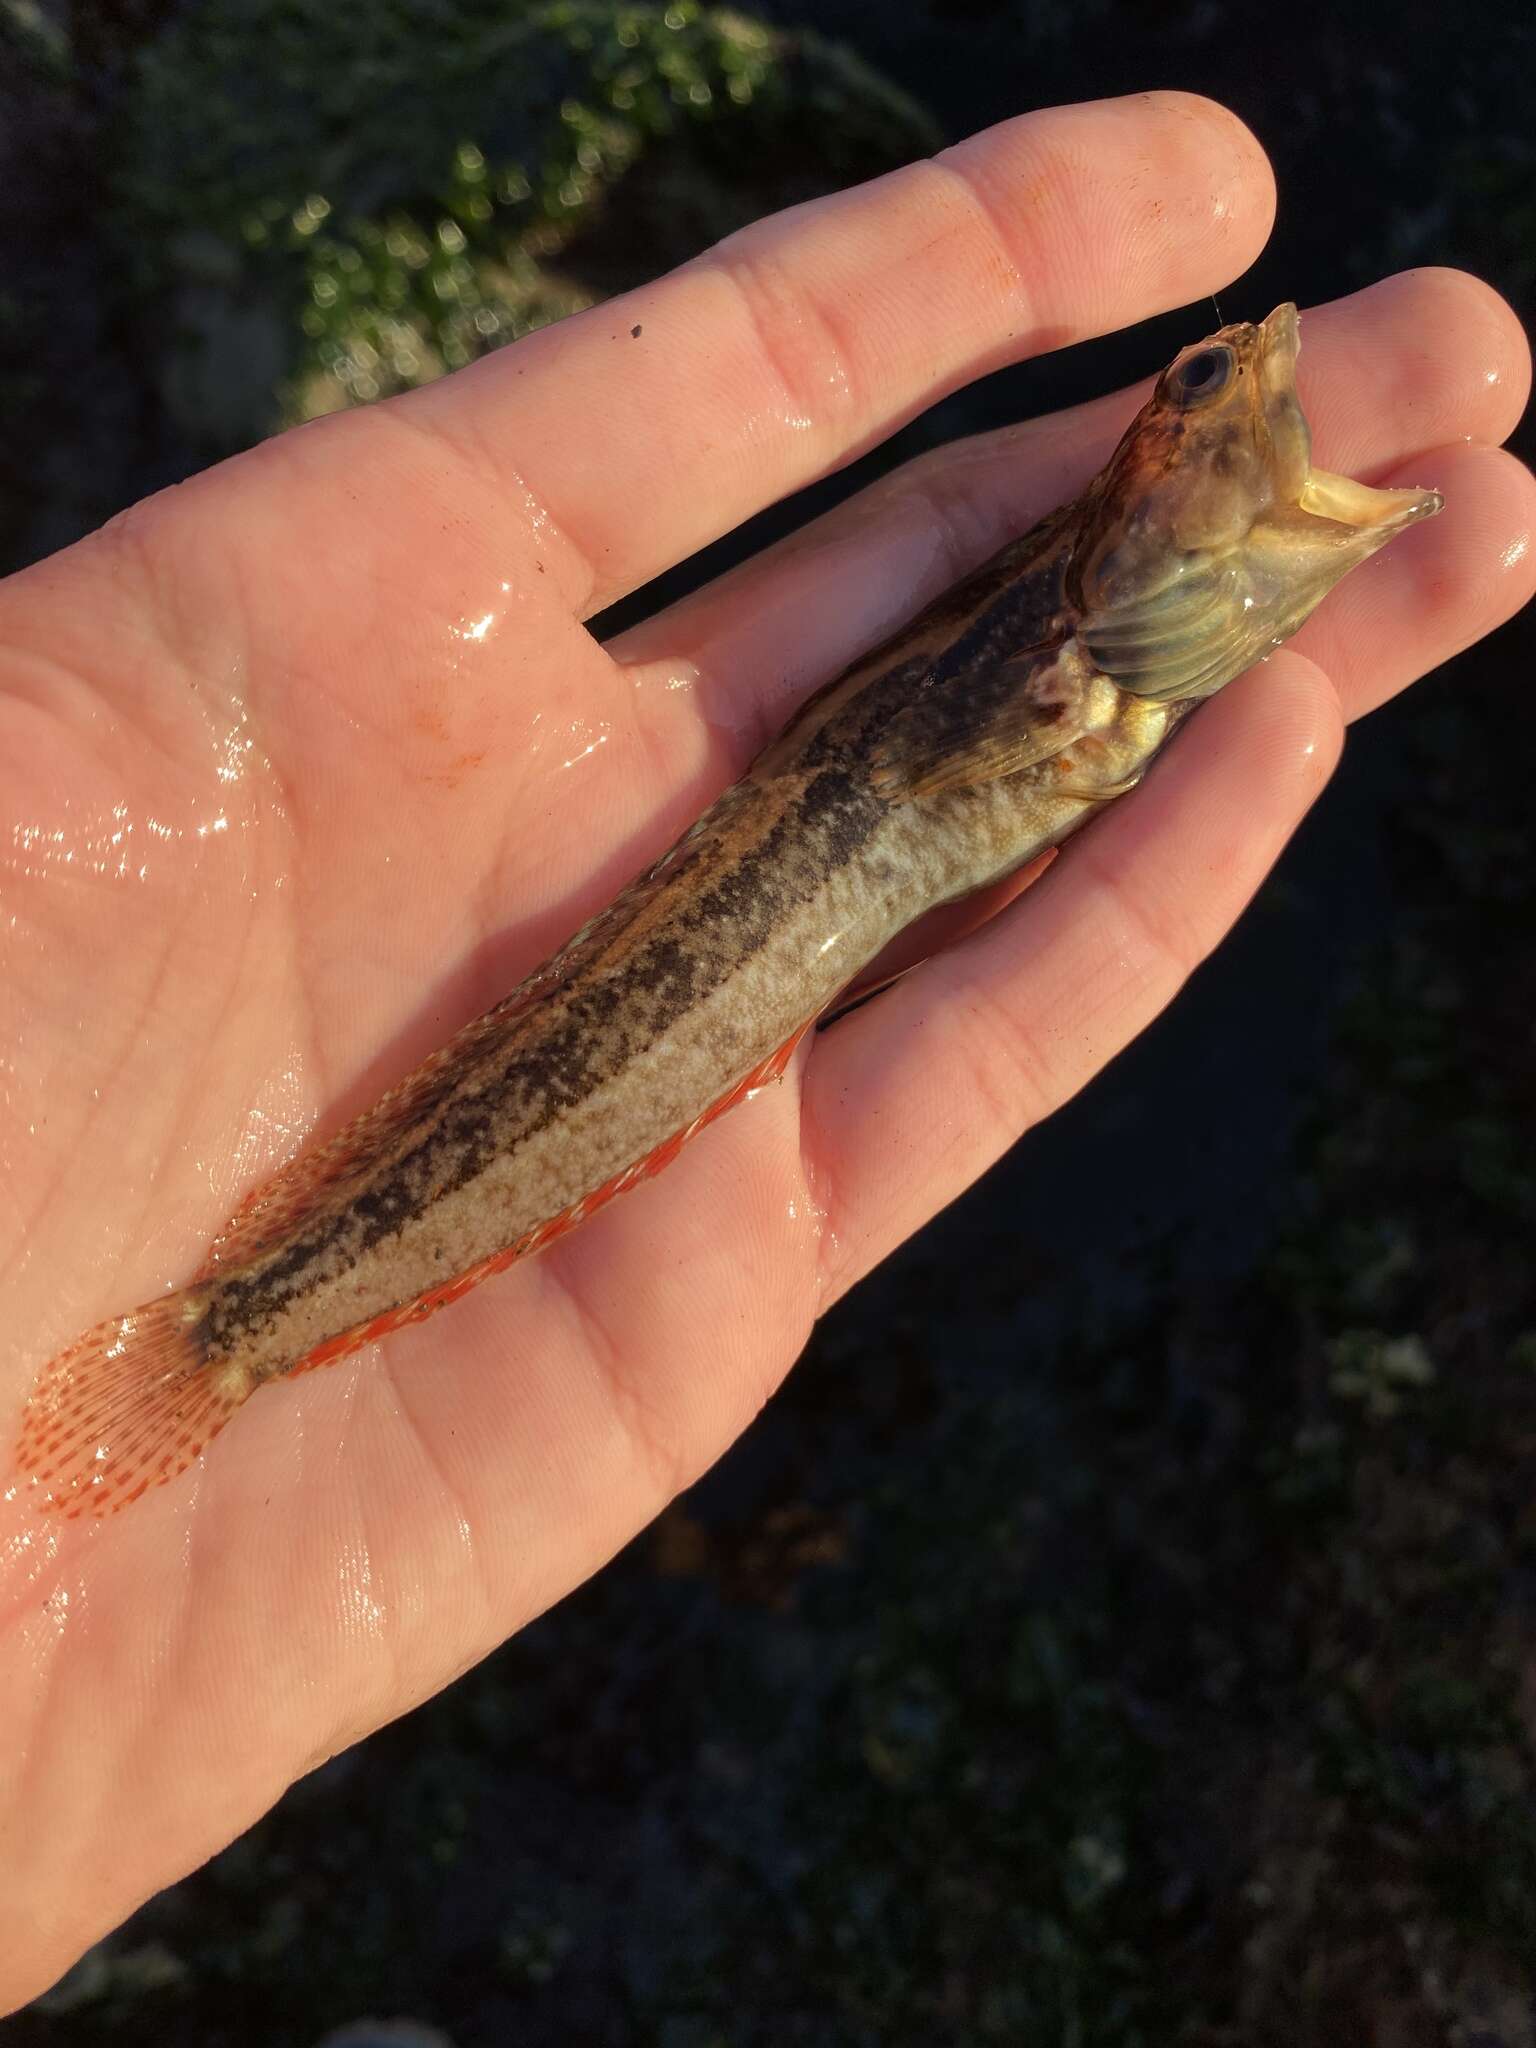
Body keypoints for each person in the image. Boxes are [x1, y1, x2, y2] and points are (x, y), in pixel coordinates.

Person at [1, 91, 1531, 2011]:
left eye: (1218, 399)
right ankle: (233, 1330)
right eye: (1214, 403)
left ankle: (242, 1327)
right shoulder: (1081, 658)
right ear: (1134, 536)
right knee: (528, 1134)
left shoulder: (1097, 660)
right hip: (706, 959)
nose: (1251, 414)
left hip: (843, 857)